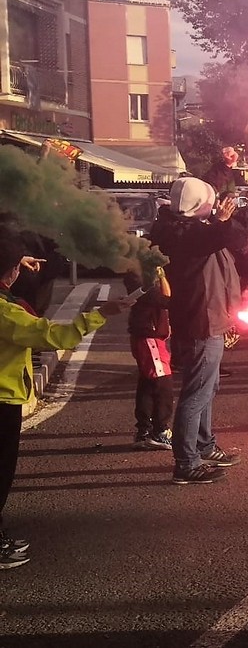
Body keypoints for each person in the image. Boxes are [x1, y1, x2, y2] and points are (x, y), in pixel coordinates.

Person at [0, 232, 131, 569]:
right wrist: (100, 314)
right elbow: (52, 335)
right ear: (10, 272)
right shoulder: (7, 315)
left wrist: (13, 266)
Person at [150, 176, 248, 485]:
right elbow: (231, 232)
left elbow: (230, 231)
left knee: (205, 389)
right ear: (200, 206)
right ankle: (186, 461)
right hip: (201, 321)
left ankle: (204, 445)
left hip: (201, 318)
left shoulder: (177, 228)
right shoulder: (189, 235)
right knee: (197, 393)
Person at [124, 267, 174, 451]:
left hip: (149, 336)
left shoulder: (142, 275)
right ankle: (159, 431)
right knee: (162, 384)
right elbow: (165, 299)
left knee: (148, 383)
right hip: (149, 336)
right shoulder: (138, 278)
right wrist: (160, 276)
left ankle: (144, 430)